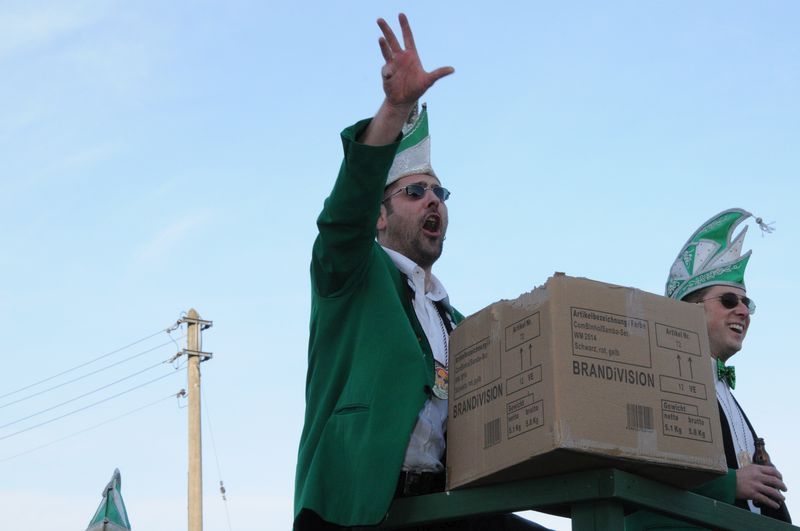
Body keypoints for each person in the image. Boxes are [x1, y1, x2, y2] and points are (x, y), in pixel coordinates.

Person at [293, 13, 547, 531]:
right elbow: (344, 214)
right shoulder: (353, 273)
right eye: (414, 191)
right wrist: (395, 109)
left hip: (440, 504)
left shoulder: (455, 320)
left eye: (439, 192)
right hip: (357, 507)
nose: (433, 200)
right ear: (379, 216)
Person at [626, 208, 791, 529]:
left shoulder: (724, 391)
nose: (743, 311)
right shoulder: (656, 381)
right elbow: (642, 468)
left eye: (747, 303)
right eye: (729, 301)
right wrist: (730, 484)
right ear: (688, 310)